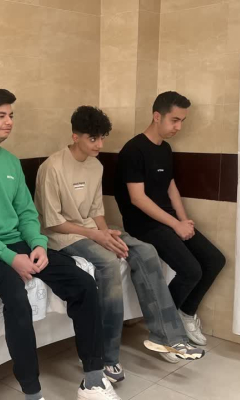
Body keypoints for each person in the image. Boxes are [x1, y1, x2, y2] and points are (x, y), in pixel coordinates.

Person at [0, 88, 120, 400]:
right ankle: (32, 392)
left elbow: (26, 212)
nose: (9, 121)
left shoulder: (11, 162)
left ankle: (93, 379)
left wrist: (38, 244)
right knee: (15, 293)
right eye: (0, 115)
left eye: (11, 115)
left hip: (17, 242)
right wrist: (10, 258)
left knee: (82, 282)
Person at [34, 106, 205, 378]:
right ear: (75, 136)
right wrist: (98, 237)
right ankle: (106, 355)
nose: (100, 145)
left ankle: (167, 337)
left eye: (102, 138)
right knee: (108, 262)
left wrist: (107, 234)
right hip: (61, 236)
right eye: (93, 139)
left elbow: (96, 211)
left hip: (92, 229)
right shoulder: (52, 167)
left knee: (145, 251)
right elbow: (53, 222)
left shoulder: (96, 165)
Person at [114, 91, 226, 346]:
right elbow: (137, 199)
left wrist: (184, 222)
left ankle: (184, 313)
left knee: (215, 260)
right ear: (157, 116)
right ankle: (166, 326)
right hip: (143, 224)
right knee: (191, 270)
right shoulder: (133, 150)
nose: (179, 127)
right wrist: (175, 224)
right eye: (174, 120)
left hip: (168, 221)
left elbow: (170, 187)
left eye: (182, 121)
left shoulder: (165, 149)